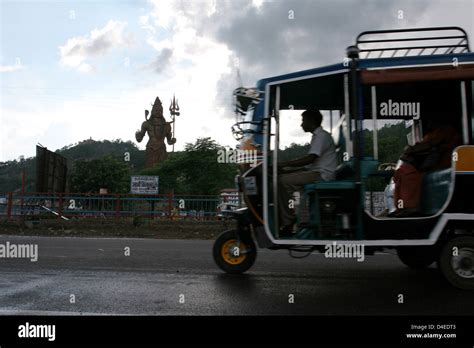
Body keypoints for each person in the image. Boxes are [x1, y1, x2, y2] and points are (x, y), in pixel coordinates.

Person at [277, 109, 337, 235]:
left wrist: (285, 164)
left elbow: (310, 158)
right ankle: (293, 215)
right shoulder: (318, 136)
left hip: (321, 175)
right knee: (284, 177)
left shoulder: (321, 136)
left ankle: (289, 221)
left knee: (283, 181)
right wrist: (287, 170)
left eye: (303, 121)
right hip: (316, 173)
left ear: (312, 121)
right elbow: (309, 165)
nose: (301, 124)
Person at [391, 120, 461, 217]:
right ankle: (405, 208)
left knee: (408, 175)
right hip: (428, 165)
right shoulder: (435, 137)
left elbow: (434, 147)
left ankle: (409, 208)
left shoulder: (444, 135)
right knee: (404, 174)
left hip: (440, 165)